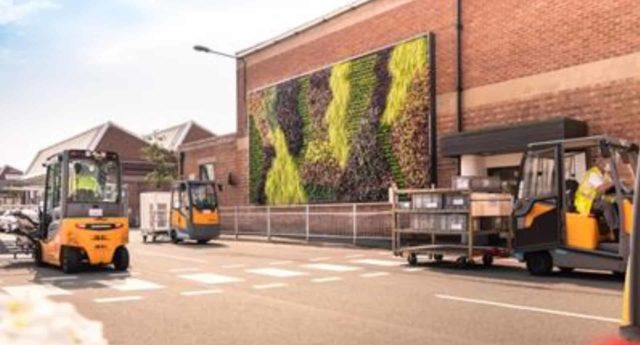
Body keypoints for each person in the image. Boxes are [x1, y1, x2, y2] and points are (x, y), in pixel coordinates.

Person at [575, 159, 618, 232]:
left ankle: (620, 226)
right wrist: (616, 182)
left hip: (595, 200)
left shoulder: (605, 174)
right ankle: (615, 230)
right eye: (606, 163)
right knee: (606, 204)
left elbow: (610, 185)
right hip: (586, 203)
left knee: (617, 201)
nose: (608, 165)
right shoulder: (593, 174)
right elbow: (601, 188)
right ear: (600, 165)